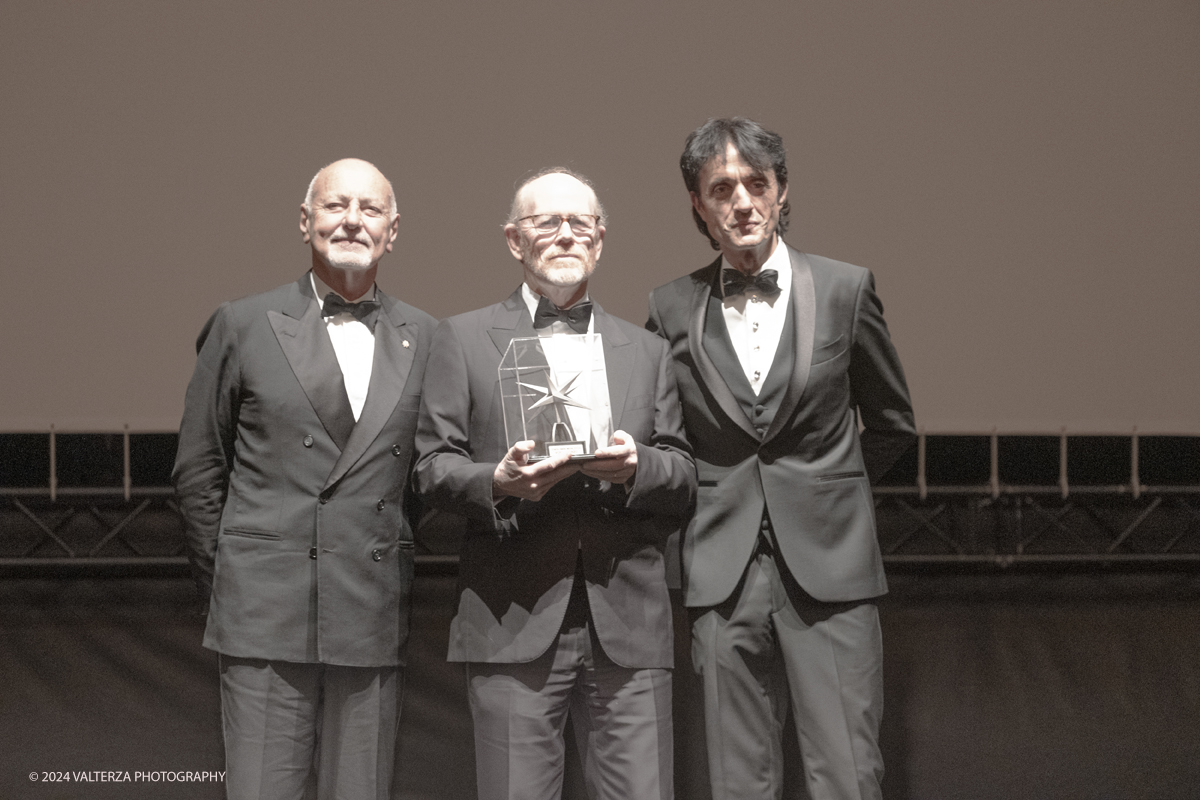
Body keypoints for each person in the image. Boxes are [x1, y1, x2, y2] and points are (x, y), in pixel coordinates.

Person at [647, 118, 916, 800]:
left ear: (782, 190)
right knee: (738, 783)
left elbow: (891, 425)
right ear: (698, 206)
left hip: (832, 572)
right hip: (721, 573)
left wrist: (827, 495)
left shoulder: (846, 289)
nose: (741, 202)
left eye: (755, 184)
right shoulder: (670, 308)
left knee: (847, 776)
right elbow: (667, 441)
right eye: (722, 189)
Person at [415, 168, 695, 800]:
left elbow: (681, 472)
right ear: (516, 240)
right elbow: (433, 468)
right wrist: (501, 480)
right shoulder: (460, 338)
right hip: (511, 616)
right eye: (547, 222)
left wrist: (635, 467)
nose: (565, 235)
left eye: (581, 224)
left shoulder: (647, 351)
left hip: (629, 623)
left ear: (599, 241)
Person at [172, 158, 436, 800]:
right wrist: (241, 573)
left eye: (370, 209)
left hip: (369, 607)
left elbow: (423, 478)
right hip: (265, 613)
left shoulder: (426, 336)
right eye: (334, 206)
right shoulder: (242, 323)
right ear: (305, 221)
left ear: (393, 231)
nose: (352, 220)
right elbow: (199, 468)